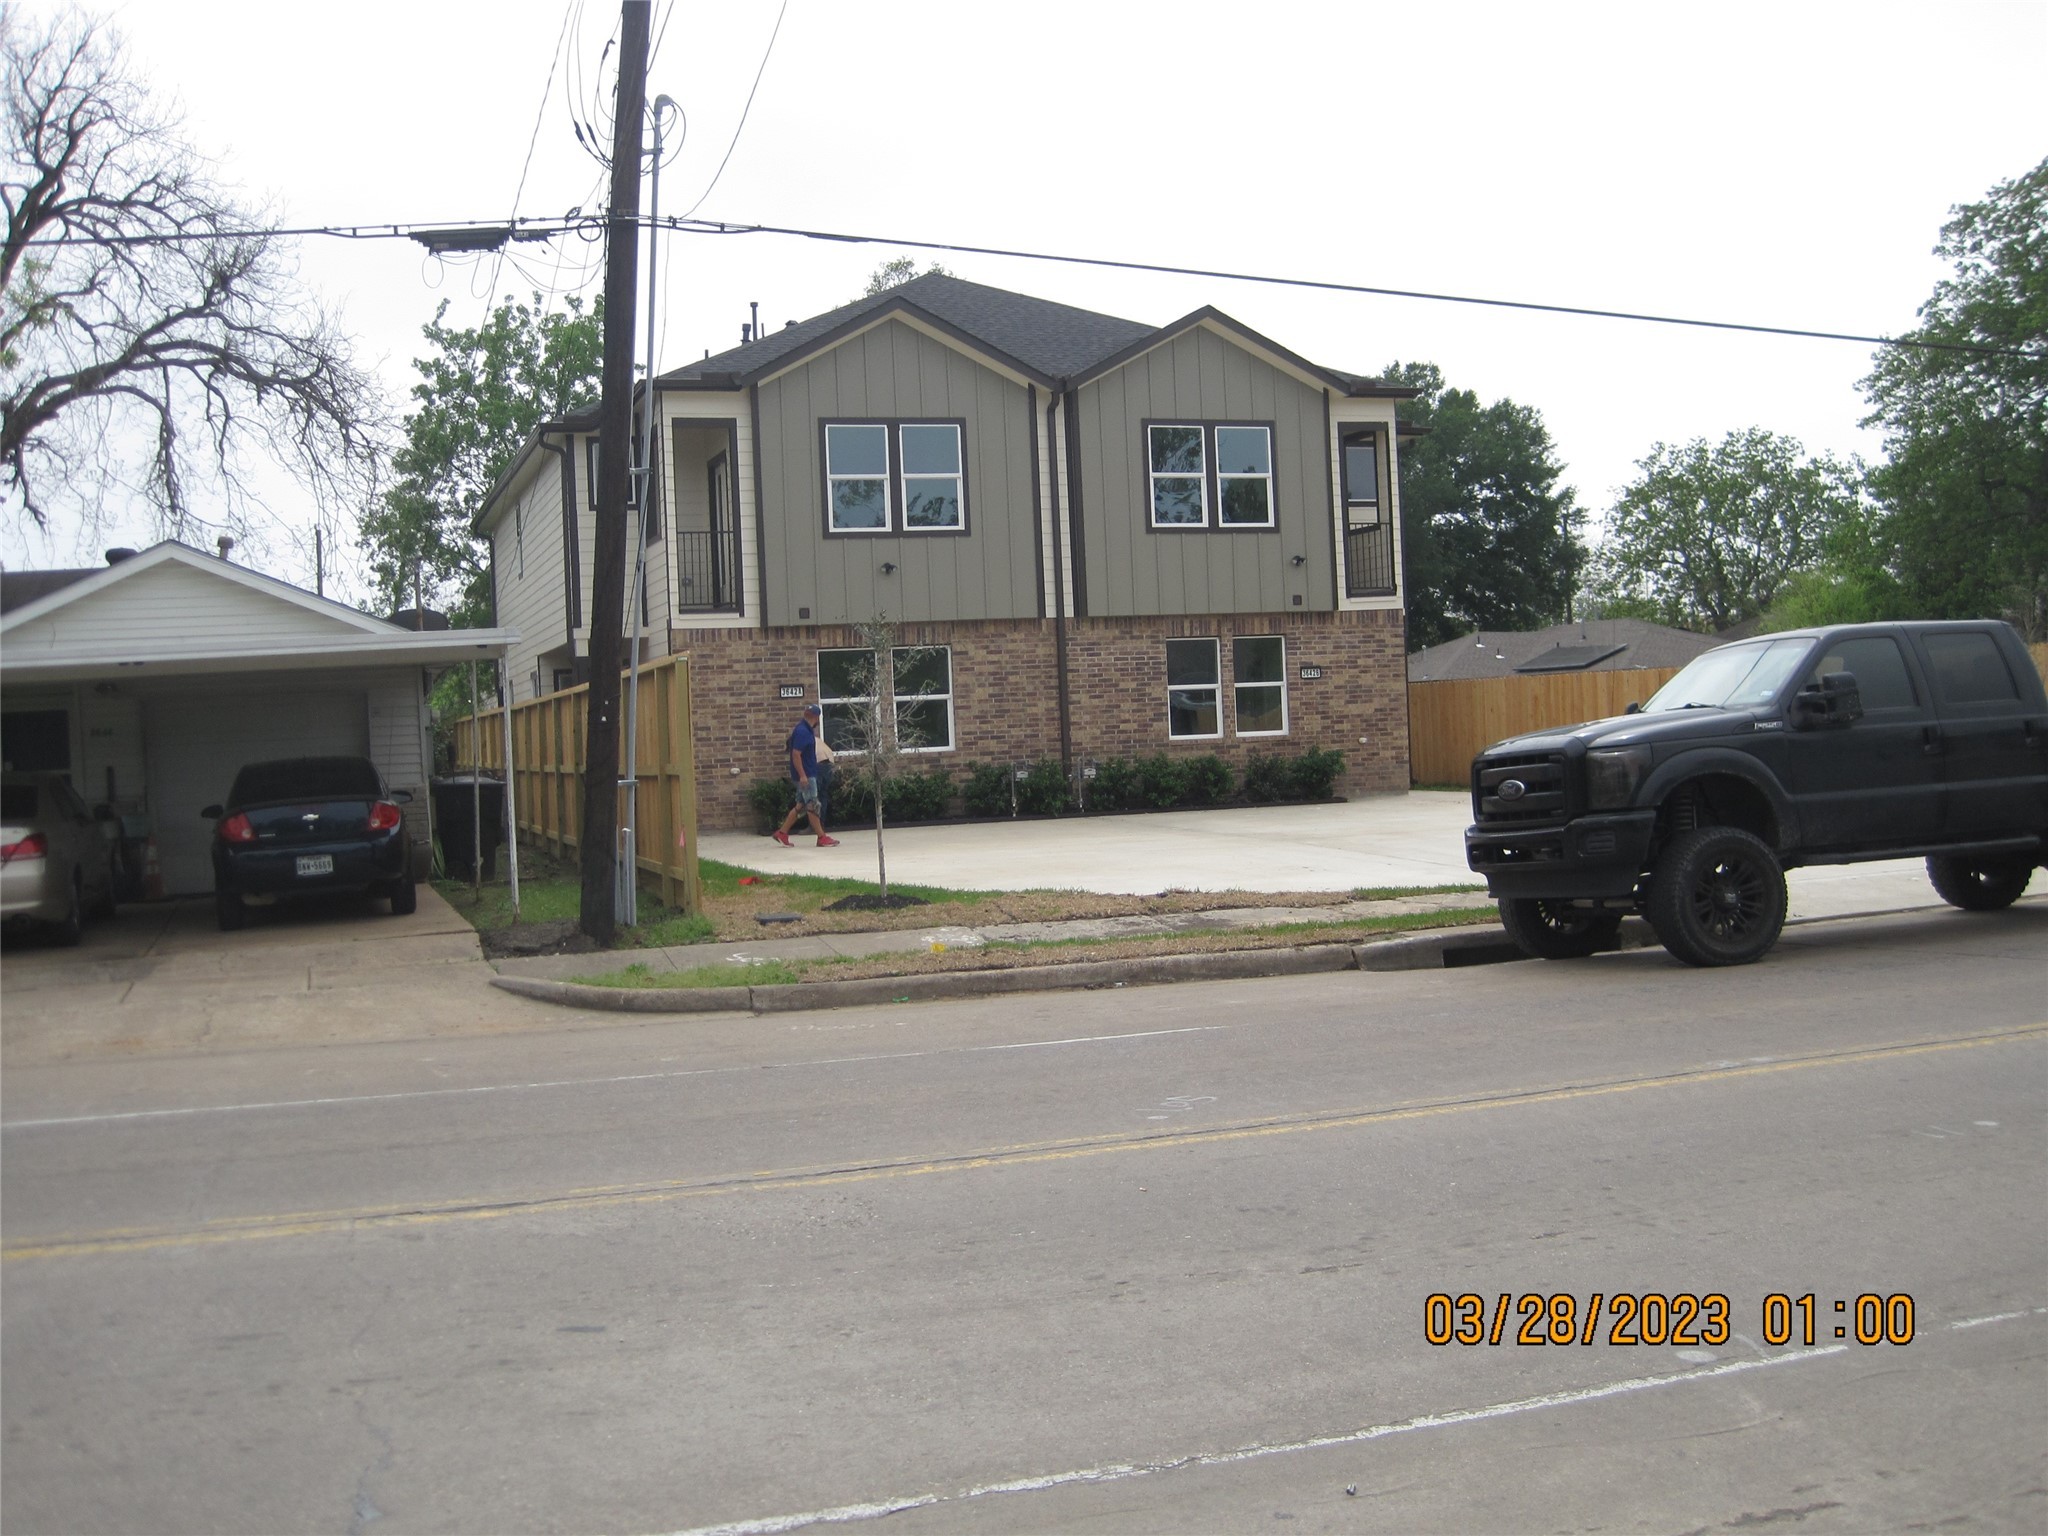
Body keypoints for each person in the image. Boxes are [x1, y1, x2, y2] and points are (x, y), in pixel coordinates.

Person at [772, 703, 839, 848]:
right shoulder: (803, 731)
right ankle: (822, 837)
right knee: (813, 806)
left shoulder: (803, 730)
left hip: (807, 774)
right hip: (807, 776)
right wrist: (802, 775)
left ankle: (782, 833)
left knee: (799, 806)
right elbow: (796, 754)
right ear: (816, 717)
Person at [812, 730, 836, 826]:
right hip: (829, 763)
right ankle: (821, 822)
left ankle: (814, 824)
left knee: (813, 796)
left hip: (819, 764)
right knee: (823, 794)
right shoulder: (816, 739)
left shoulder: (802, 743)